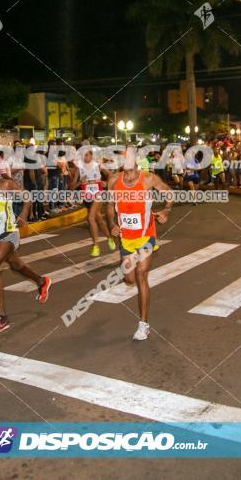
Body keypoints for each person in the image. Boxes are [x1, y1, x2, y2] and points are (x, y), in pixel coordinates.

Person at [0, 166, 52, 333]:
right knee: (17, 266)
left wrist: (24, 213)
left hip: (9, 233)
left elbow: (26, 196)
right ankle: (42, 281)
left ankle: (2, 318)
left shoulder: (4, 185)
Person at [106, 146, 174, 341]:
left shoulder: (148, 179)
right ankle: (130, 277)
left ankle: (143, 325)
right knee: (129, 279)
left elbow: (169, 193)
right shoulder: (113, 180)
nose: (122, 158)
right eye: (121, 156)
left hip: (146, 235)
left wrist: (166, 211)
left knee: (141, 274)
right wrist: (112, 224)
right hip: (126, 237)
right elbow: (109, 206)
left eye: (126, 155)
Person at [69, 148, 115, 257]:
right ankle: (110, 238)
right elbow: (71, 187)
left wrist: (106, 182)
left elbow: (112, 177)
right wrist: (80, 182)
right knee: (98, 219)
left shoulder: (98, 165)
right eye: (83, 155)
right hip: (87, 197)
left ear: (91, 156)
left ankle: (95, 246)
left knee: (90, 218)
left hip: (98, 194)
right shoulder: (79, 169)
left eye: (87, 155)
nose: (85, 157)